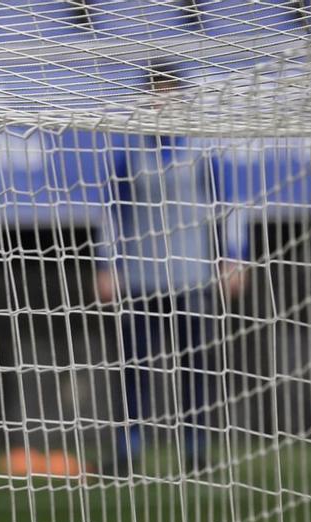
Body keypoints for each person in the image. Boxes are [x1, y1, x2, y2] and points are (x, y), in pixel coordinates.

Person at [95, 61, 249, 477]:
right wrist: (107, 264)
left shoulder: (202, 152)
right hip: (141, 278)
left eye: (168, 94)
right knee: (135, 367)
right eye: (154, 94)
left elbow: (229, 208)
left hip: (192, 276)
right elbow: (112, 214)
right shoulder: (130, 156)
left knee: (194, 366)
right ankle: (129, 450)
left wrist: (233, 257)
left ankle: (196, 451)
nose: (161, 102)